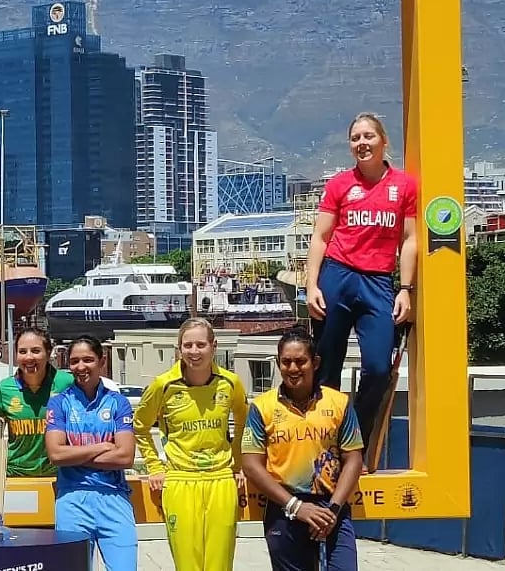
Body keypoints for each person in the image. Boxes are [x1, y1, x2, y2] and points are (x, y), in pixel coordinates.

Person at [305, 112, 417, 447]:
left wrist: (405, 289)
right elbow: (320, 237)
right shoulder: (339, 184)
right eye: (355, 138)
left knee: (379, 368)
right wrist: (311, 286)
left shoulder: (404, 185)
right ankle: (324, 445)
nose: (362, 143)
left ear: (383, 141)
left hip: (378, 281)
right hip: (337, 276)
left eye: (368, 136)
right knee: (326, 369)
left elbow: (410, 239)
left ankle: (355, 439)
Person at [242, 328, 364, 571]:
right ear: (278, 363)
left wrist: (333, 510)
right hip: (284, 510)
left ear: (315, 363)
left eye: (300, 361)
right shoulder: (261, 407)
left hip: (331, 509)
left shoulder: (339, 402)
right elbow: (250, 465)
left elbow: (353, 459)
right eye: (286, 362)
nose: (293, 368)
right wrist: (296, 507)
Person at [132, 318, 249, 571]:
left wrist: (238, 465)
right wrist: (154, 467)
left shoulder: (231, 383)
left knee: (220, 564)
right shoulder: (163, 385)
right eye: (188, 345)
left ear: (213, 346)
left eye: (200, 345)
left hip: (221, 479)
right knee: (188, 564)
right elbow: (140, 426)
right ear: (179, 349)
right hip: (180, 480)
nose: (194, 352)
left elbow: (244, 424)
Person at [45, 336, 138, 571]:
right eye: (74, 361)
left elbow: (125, 457)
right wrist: (102, 447)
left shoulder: (118, 403)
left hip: (114, 498)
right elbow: (56, 455)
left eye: (88, 360)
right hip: (72, 499)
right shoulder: (59, 403)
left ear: (101, 362)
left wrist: (74, 455)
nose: (81, 367)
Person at [0, 327, 74, 477]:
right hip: (16, 476)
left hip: (59, 476)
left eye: (35, 351)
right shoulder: (4, 389)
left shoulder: (67, 383)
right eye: (22, 351)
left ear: (48, 353)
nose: (29, 357)